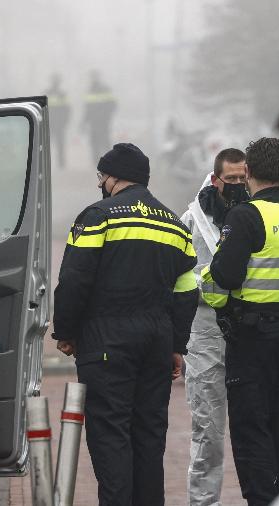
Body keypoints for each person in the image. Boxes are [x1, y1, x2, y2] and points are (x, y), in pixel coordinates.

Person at [52, 143, 199, 505]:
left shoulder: (97, 217)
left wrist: (65, 331)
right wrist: (176, 345)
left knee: (110, 433)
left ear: (113, 178)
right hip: (157, 341)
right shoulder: (174, 225)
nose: (100, 182)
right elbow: (187, 290)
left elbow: (74, 279)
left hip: (106, 340)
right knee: (149, 435)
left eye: (101, 176)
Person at [201, 137, 279, 505]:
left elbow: (225, 276)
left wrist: (210, 273)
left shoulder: (245, 216)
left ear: (250, 172)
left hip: (253, 336)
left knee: (251, 427)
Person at [180, 148, 248, 506]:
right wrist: (218, 283)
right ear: (216, 179)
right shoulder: (192, 221)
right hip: (205, 334)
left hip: (250, 333)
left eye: (243, 178)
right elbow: (178, 277)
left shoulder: (256, 214)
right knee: (208, 431)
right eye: (231, 179)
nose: (237, 185)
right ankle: (203, 502)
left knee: (254, 428)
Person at [82, 71, 117, 165]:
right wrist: (84, 121)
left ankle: (110, 161)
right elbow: (87, 108)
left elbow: (113, 105)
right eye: (92, 77)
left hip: (103, 121)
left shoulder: (105, 89)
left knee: (105, 141)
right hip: (94, 122)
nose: (93, 79)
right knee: (94, 142)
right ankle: (96, 163)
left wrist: (107, 117)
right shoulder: (90, 91)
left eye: (95, 77)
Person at [45, 74, 70, 170]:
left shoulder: (61, 94)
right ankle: (58, 162)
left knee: (58, 144)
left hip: (57, 123)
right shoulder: (48, 93)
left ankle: (60, 162)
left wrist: (65, 121)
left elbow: (67, 109)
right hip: (50, 123)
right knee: (50, 144)